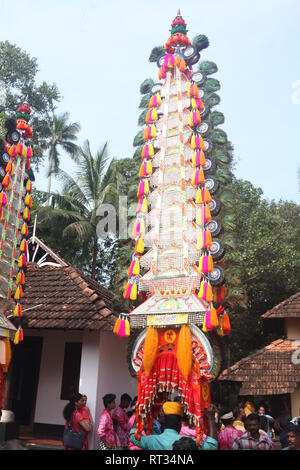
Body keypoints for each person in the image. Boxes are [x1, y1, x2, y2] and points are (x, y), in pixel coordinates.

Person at [129, 402, 218, 450]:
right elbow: (212, 445)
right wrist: (210, 418)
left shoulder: (152, 441)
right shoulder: (189, 443)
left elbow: (133, 436)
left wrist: (140, 413)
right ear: (180, 423)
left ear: (163, 422)